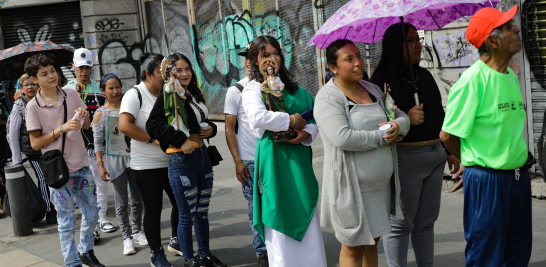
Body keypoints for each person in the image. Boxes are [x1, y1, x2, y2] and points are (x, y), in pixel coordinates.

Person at [440, 6, 532, 267]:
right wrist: (470, 162)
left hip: (518, 178)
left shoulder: (511, 76)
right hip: (488, 182)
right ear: (492, 41)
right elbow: (447, 135)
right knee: (486, 256)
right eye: (508, 26)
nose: (516, 29)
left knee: (518, 252)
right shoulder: (472, 81)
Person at [369, 22, 460, 267]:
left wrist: (450, 151)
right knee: (400, 224)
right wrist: (406, 118)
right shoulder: (381, 82)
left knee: (426, 222)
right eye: (410, 41)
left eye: (417, 39)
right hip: (405, 159)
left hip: (435, 157)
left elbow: (439, 116)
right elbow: (376, 125)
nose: (418, 44)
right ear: (394, 47)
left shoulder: (425, 75)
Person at [315, 39, 410, 267]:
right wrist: (381, 137)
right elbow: (342, 137)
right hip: (351, 188)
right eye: (349, 59)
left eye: (359, 56)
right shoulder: (328, 98)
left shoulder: (372, 89)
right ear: (333, 68)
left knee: (372, 242)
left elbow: (401, 116)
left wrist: (398, 127)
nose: (358, 63)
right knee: (353, 246)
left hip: (379, 187)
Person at [241, 35, 325, 266]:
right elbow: (258, 117)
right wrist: (290, 120)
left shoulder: (296, 89)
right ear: (255, 61)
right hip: (274, 159)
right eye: (265, 55)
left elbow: (315, 116)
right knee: (278, 210)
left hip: (298, 158)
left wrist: (307, 133)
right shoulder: (253, 89)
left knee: (305, 206)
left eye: (275, 53)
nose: (271, 59)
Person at [147, 53, 226, 267]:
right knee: (186, 214)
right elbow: (153, 126)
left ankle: (205, 255)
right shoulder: (169, 93)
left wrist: (212, 129)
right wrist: (180, 140)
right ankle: (189, 260)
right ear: (171, 72)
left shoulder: (191, 93)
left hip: (202, 158)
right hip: (182, 161)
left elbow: (200, 121)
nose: (184, 73)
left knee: (202, 213)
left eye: (187, 69)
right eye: (179, 70)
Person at [25, 54, 105, 267]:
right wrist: (61, 129)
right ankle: (72, 263)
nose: (51, 76)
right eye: (44, 73)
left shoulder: (70, 94)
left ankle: (85, 250)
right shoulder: (33, 106)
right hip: (58, 171)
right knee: (67, 221)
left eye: (52, 70)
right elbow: (35, 144)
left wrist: (83, 114)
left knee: (93, 213)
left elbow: (87, 126)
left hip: (81, 166)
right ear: (34, 79)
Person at [119, 53, 180, 267]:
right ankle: (157, 254)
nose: (167, 76)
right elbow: (125, 125)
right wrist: (152, 139)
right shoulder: (135, 94)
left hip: (173, 160)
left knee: (180, 204)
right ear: (148, 74)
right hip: (146, 164)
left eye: (168, 71)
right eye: (161, 73)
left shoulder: (170, 92)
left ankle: (176, 240)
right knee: (153, 209)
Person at [92, 73, 147, 255]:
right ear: (103, 91)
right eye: (111, 88)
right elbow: (98, 143)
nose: (115, 91)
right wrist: (100, 165)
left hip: (136, 159)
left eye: (118, 87)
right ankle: (127, 237)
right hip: (114, 162)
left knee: (138, 199)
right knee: (121, 202)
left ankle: (137, 230)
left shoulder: (129, 109)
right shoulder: (101, 114)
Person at [224, 43, 269, 266]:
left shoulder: (274, 87)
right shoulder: (236, 91)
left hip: (273, 158)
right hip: (250, 162)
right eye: (247, 58)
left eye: (255, 57)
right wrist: (237, 162)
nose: (250, 62)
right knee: (255, 211)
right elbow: (229, 129)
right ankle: (262, 254)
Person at [64, 48, 111, 237]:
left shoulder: (100, 89)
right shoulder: (66, 90)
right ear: (73, 67)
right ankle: (90, 225)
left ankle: (102, 217)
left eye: (88, 67)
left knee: (101, 183)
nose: (84, 71)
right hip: (76, 148)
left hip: (98, 146)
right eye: (80, 67)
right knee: (84, 187)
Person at [6, 74, 57, 224]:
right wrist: (17, 160)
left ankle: (58, 207)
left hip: (49, 146)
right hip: (33, 151)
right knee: (43, 178)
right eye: (26, 85)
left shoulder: (44, 101)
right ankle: (49, 210)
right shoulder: (19, 106)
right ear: (21, 88)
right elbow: (12, 134)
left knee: (53, 177)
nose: (30, 87)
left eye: (33, 84)